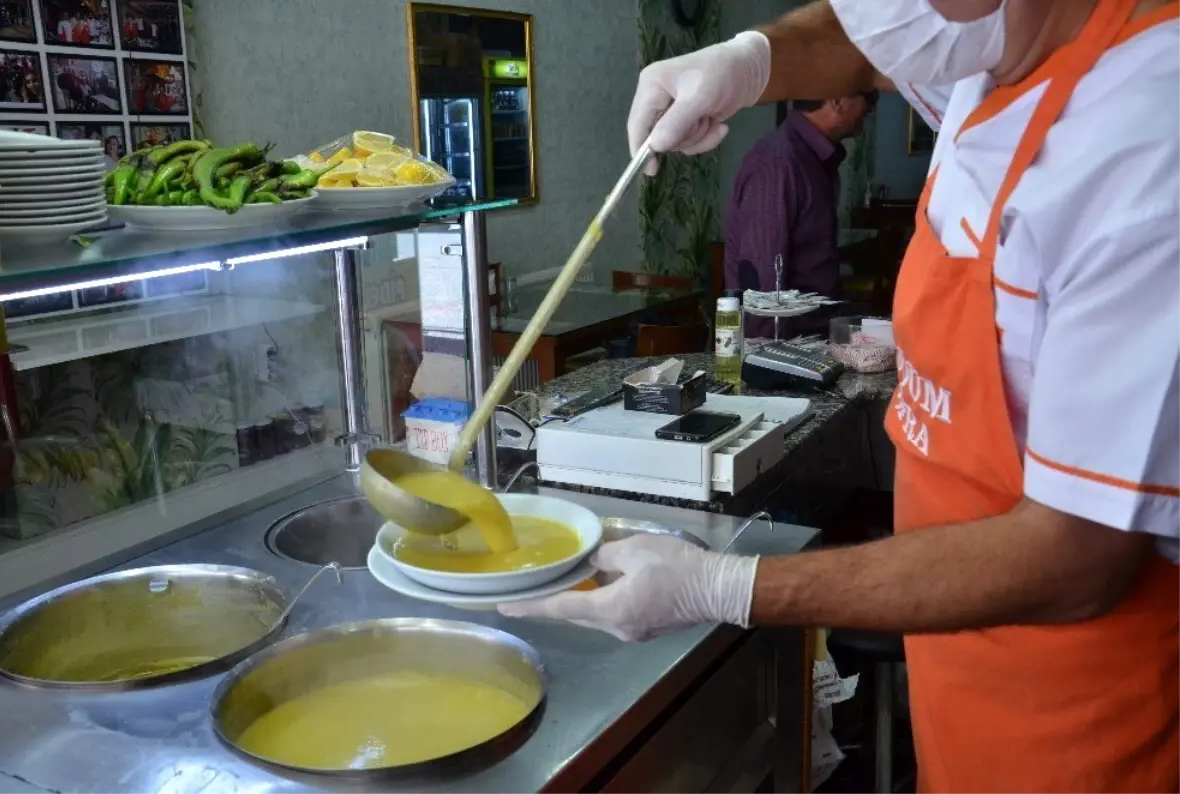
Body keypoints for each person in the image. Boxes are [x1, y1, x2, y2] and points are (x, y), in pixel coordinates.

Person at [500, 1, 1180, 791]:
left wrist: (726, 586)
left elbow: (1079, 560)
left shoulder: (1144, 141)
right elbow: (868, 47)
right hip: (957, 662)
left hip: (1077, 713)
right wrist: (752, 59)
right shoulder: (996, 47)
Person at [724, 93, 875, 338]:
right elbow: (763, 282)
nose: (871, 108)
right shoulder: (778, 163)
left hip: (815, 338)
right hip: (788, 349)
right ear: (837, 100)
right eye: (869, 96)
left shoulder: (811, 158)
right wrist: (770, 363)